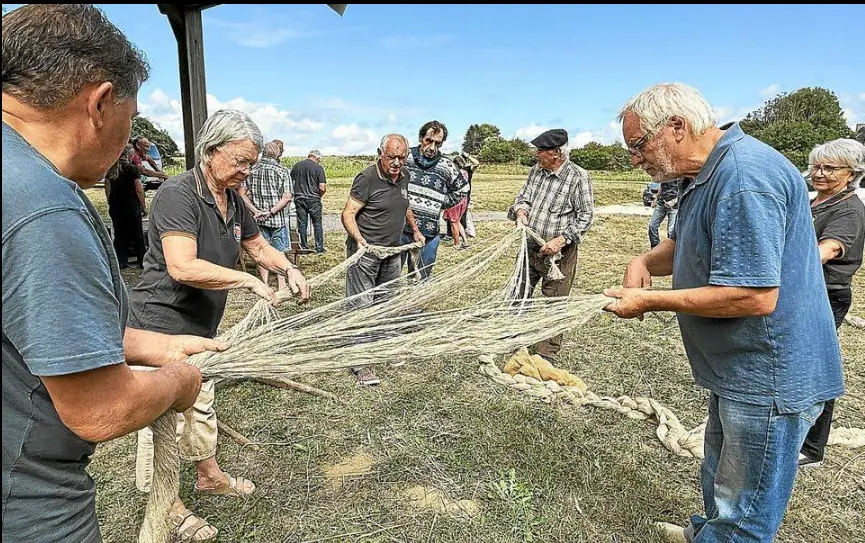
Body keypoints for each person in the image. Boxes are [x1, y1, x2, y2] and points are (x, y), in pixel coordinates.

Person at [2, 5, 218, 542]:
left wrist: (154, 347)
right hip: (25, 502)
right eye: (130, 113)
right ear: (100, 103)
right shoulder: (42, 208)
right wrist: (177, 382)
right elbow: (98, 410)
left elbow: (30, 327)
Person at [603, 83, 844, 543]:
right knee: (721, 476)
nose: (635, 158)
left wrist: (649, 301)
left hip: (769, 374)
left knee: (745, 510)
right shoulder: (704, 174)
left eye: (638, 145)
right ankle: (705, 533)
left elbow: (753, 296)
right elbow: (683, 244)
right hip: (739, 367)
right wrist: (640, 262)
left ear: (676, 127)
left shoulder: (744, 178)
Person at [128, 109, 311, 542]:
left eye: (253, 163)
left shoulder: (233, 197)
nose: (247, 171)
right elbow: (181, 265)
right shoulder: (178, 195)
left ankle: (208, 474)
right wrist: (247, 278)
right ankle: (168, 507)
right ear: (210, 151)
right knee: (163, 418)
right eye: (241, 161)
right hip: (160, 325)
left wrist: (286, 268)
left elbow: (258, 244)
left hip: (199, 327)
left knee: (199, 403)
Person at [798, 138, 865, 468]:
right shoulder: (817, 201)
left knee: (815, 370)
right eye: (816, 166)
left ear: (851, 173)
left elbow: (826, 251)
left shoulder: (849, 211)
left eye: (829, 168)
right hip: (804, 292)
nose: (819, 173)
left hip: (826, 295)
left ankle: (811, 448)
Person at [341, 134, 425, 386]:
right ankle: (359, 362)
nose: (397, 162)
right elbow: (348, 213)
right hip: (366, 254)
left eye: (402, 157)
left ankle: (380, 345)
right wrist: (359, 241)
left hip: (393, 252)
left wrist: (415, 229)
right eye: (391, 157)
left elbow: (404, 204)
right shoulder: (367, 178)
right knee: (361, 304)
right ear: (380, 152)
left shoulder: (404, 176)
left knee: (386, 301)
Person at [508, 128, 594, 362]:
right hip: (530, 247)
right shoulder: (536, 171)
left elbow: (586, 216)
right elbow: (523, 197)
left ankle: (547, 352)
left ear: (557, 153)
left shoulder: (578, 177)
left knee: (554, 302)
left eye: (541, 150)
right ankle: (512, 337)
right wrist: (521, 211)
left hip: (559, 254)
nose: (537, 154)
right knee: (518, 293)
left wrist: (561, 240)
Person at [400, 121, 468, 279]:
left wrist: (440, 202)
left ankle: (415, 302)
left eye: (437, 143)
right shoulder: (405, 158)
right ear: (420, 138)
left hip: (429, 232)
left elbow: (462, 189)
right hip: (400, 229)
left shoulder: (446, 166)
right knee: (391, 275)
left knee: (421, 278)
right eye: (428, 141)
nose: (432, 147)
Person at [238, 140, 292, 291]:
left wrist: (255, 211)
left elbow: (241, 194)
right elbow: (287, 197)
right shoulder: (283, 171)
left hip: (258, 219)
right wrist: (271, 211)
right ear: (276, 153)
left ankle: (265, 284)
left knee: (261, 252)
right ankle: (282, 286)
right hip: (277, 219)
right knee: (279, 252)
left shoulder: (252, 170)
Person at [105, 148, 147, 268]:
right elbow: (139, 189)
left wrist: (110, 202)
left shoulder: (111, 171)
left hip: (116, 206)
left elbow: (107, 189)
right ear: (129, 155)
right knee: (137, 234)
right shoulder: (133, 169)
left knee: (119, 234)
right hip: (131, 205)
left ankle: (122, 261)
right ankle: (142, 261)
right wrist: (143, 205)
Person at [291, 149, 328, 254]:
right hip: (313, 199)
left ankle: (303, 246)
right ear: (317, 158)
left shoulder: (297, 165)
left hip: (299, 198)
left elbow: (291, 181)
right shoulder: (318, 168)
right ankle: (319, 248)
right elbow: (322, 187)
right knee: (317, 223)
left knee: (302, 224)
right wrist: (318, 196)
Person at [647, 178, 679, 248]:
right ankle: (655, 247)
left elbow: (684, 191)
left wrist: (673, 201)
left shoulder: (680, 175)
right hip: (661, 203)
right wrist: (656, 199)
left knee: (671, 231)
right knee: (652, 226)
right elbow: (662, 187)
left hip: (674, 206)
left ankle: (670, 251)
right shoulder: (665, 174)